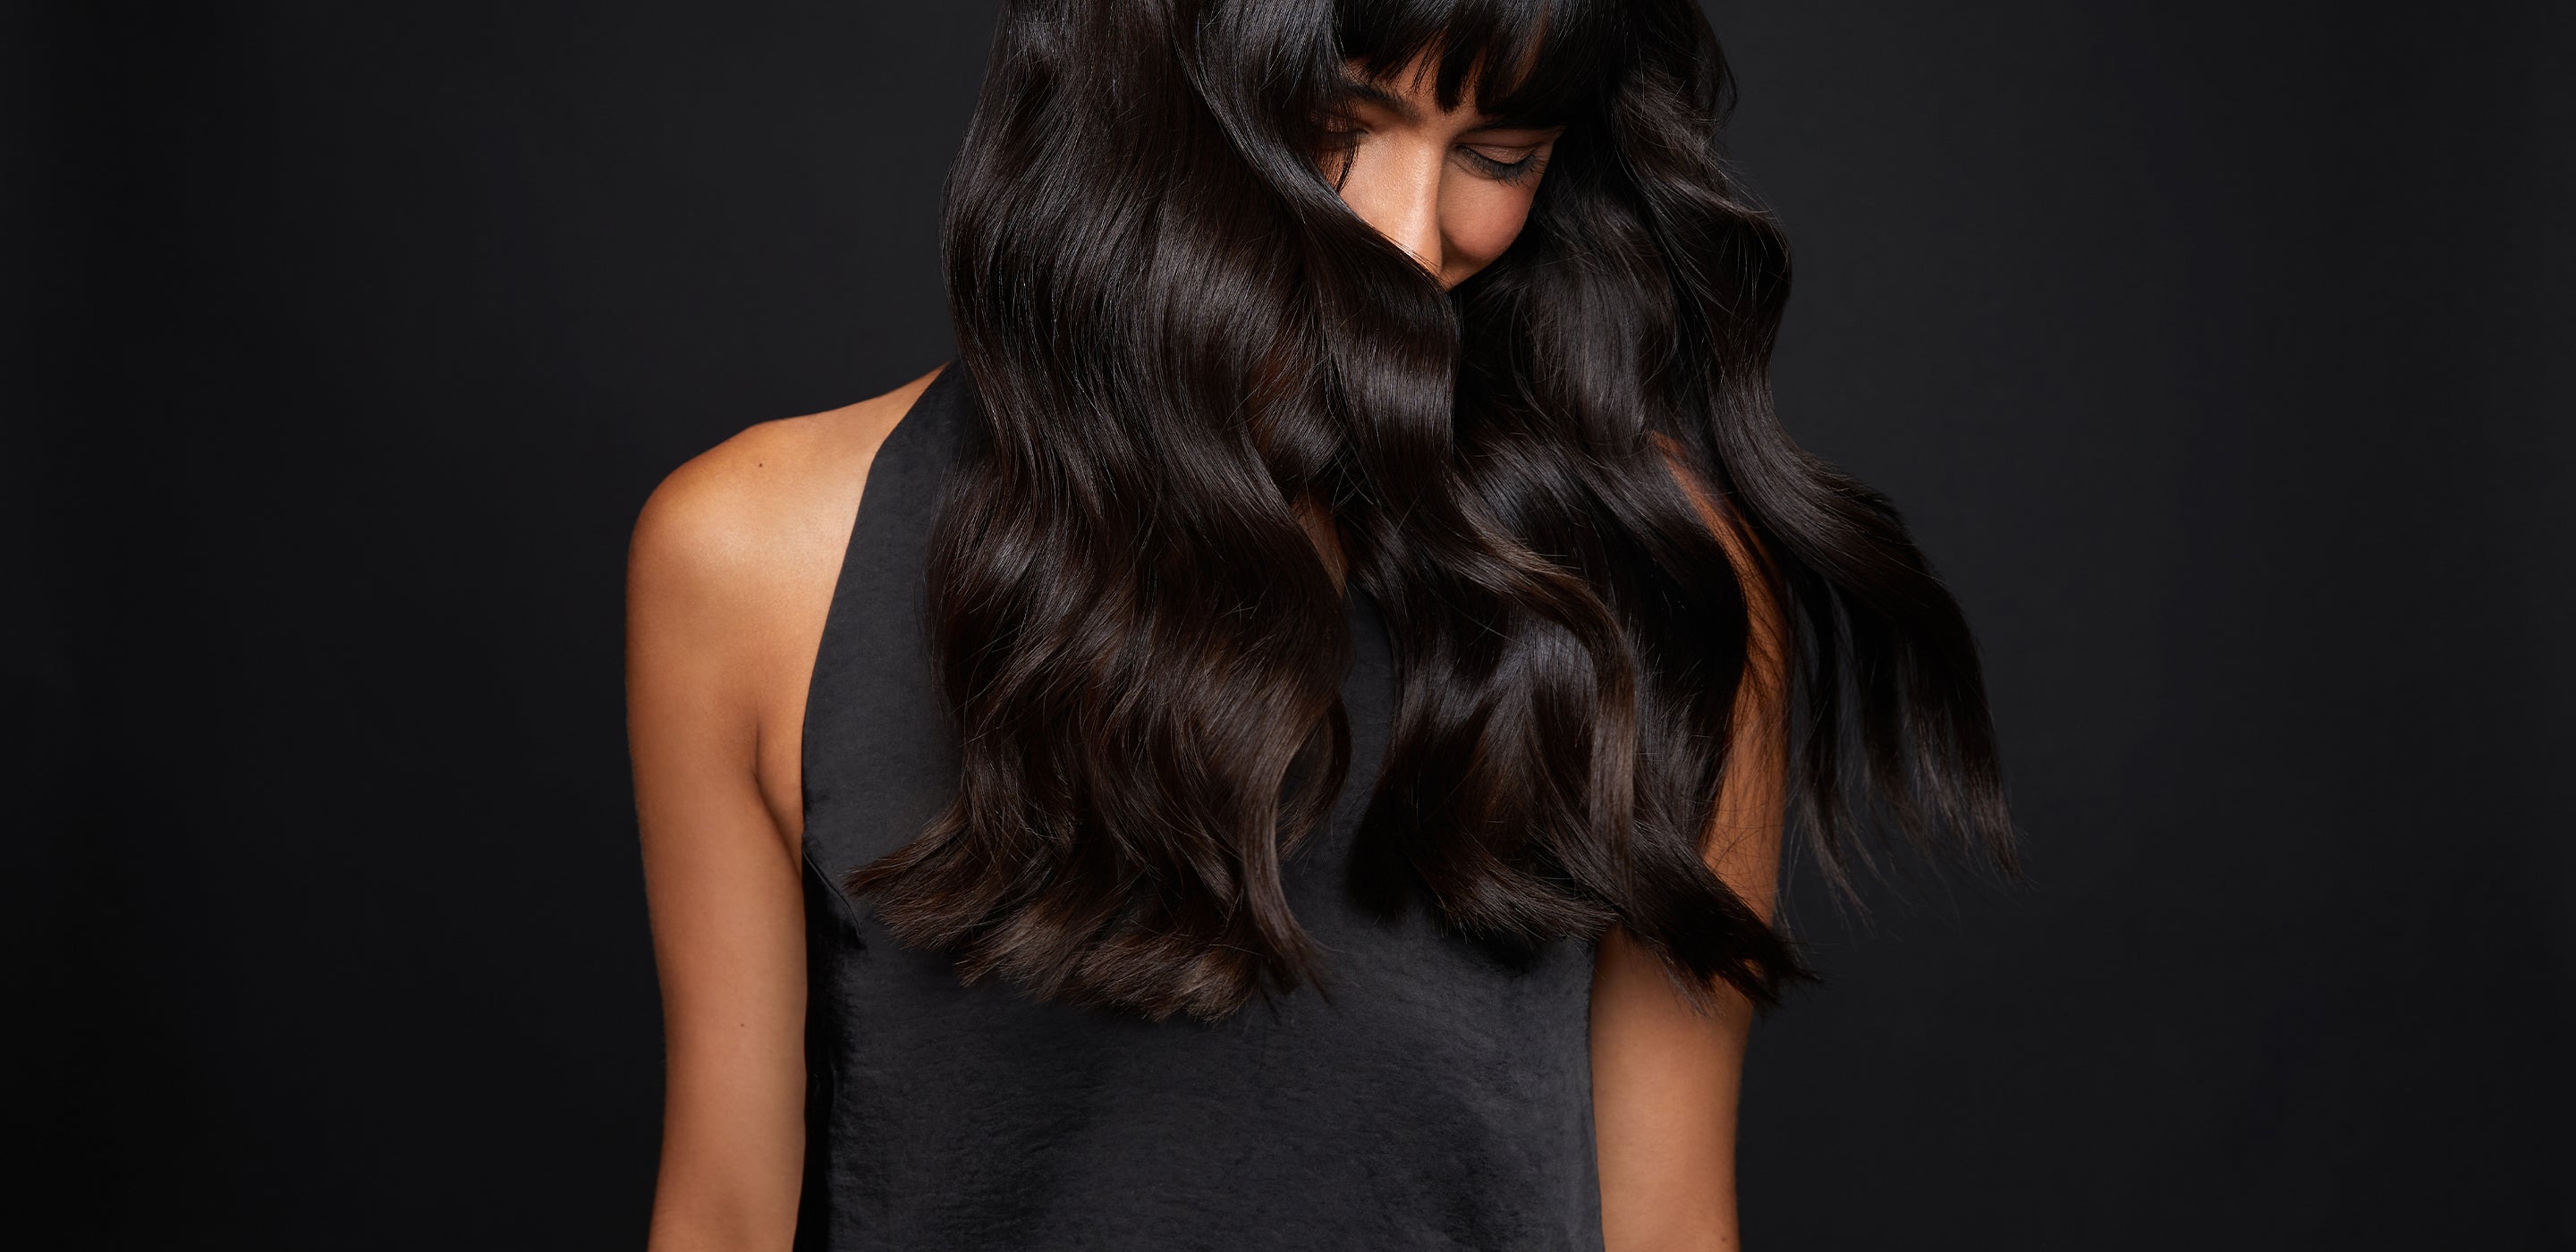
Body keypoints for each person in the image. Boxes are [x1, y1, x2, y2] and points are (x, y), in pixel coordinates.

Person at [625, 1, 2016, 1248]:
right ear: (1146, 88)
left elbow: (1665, 1226)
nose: (1409, 239)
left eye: (1499, 156)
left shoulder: (1664, 581)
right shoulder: (758, 560)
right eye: (1338, 124)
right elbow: (725, 1216)